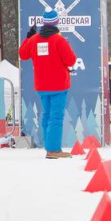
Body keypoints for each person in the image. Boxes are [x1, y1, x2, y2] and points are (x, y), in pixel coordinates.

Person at [19, 9, 77, 159]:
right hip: (58, 85)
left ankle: (49, 147)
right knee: (56, 117)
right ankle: (53, 150)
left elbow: (23, 54)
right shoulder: (59, 40)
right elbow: (71, 60)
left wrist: (28, 37)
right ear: (56, 22)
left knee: (47, 115)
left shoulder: (34, 40)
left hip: (42, 86)